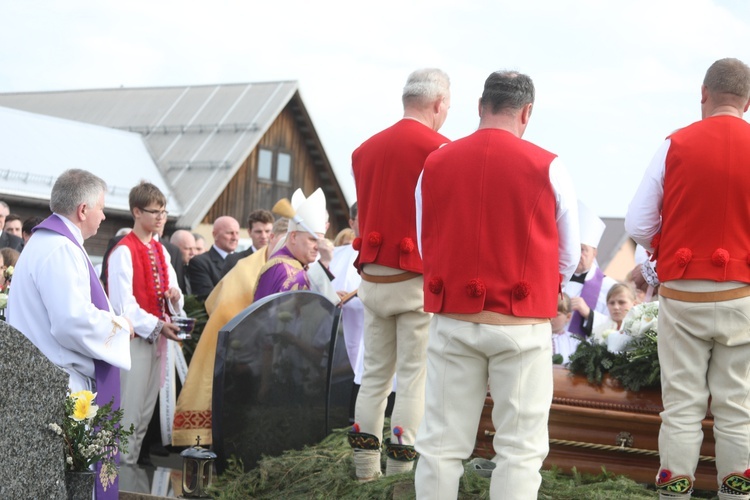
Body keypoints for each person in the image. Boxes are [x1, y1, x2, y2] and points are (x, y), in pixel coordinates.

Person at [415, 70, 579, 499]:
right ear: (526, 112)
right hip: (520, 324)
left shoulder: (435, 161)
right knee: (520, 449)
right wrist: (543, 287)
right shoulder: (549, 165)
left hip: (454, 319)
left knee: (439, 444)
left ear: (480, 106)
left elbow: (423, 236)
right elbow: (570, 253)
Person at [625, 57, 750, 500]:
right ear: (748, 102)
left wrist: (670, 246)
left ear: (703, 93)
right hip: (740, 293)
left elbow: (638, 222)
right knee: (737, 410)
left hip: (682, 292)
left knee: (681, 408)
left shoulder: (674, 144)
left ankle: (674, 493)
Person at [347, 68, 451, 481]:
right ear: (439, 104)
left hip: (373, 279)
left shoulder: (364, 150)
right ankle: (399, 475)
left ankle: (364, 468)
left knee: (374, 377)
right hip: (415, 282)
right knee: (412, 379)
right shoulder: (441, 148)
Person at [7, 169, 133, 500]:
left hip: (43, 381)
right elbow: (70, 321)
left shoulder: (47, 244)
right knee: (68, 484)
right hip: (59, 385)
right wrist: (121, 329)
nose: (104, 215)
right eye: (101, 208)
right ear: (82, 210)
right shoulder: (60, 249)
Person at [172, 217, 288, 446]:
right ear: (272, 238)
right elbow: (218, 304)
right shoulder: (246, 267)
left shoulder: (290, 267)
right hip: (241, 350)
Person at [106, 181, 184, 466]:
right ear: (136, 212)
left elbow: (174, 293)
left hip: (157, 339)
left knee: (144, 413)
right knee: (129, 411)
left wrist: (175, 299)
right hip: (135, 341)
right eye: (155, 212)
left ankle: (129, 469)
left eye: (163, 212)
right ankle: (117, 474)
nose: (161, 217)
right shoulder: (124, 251)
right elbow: (123, 306)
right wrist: (158, 325)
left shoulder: (161, 250)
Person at [254, 189, 334, 301]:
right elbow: (298, 296)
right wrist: (324, 263)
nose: (318, 247)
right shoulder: (280, 267)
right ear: (293, 237)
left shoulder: (300, 264)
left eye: (320, 241)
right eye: (312, 239)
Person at [564, 201, 617, 336]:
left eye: (583, 250)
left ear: (594, 253)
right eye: (574, 249)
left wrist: (588, 313)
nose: (577, 255)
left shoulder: (610, 287)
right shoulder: (557, 282)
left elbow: (617, 325)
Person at [188, 216, 240, 300]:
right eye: (230, 233)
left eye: (237, 233)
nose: (235, 238)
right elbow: (207, 298)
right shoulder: (200, 262)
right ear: (215, 235)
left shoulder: (244, 260)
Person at [221, 209, 274, 277]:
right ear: (249, 232)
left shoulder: (280, 260)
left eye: (267, 231)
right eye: (258, 232)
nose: (263, 236)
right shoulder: (234, 261)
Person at [591, 282, 636, 351]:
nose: (616, 307)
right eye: (612, 303)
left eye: (621, 302)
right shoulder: (597, 332)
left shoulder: (641, 330)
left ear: (634, 304)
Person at [551, 293, 578, 365]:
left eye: (556, 314)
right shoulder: (536, 337)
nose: (550, 318)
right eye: (548, 313)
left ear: (568, 317)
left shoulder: (574, 341)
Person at [169, 229, 198, 295]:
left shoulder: (195, 269)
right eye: (187, 248)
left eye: (194, 248)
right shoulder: (169, 270)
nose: (193, 253)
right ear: (174, 247)